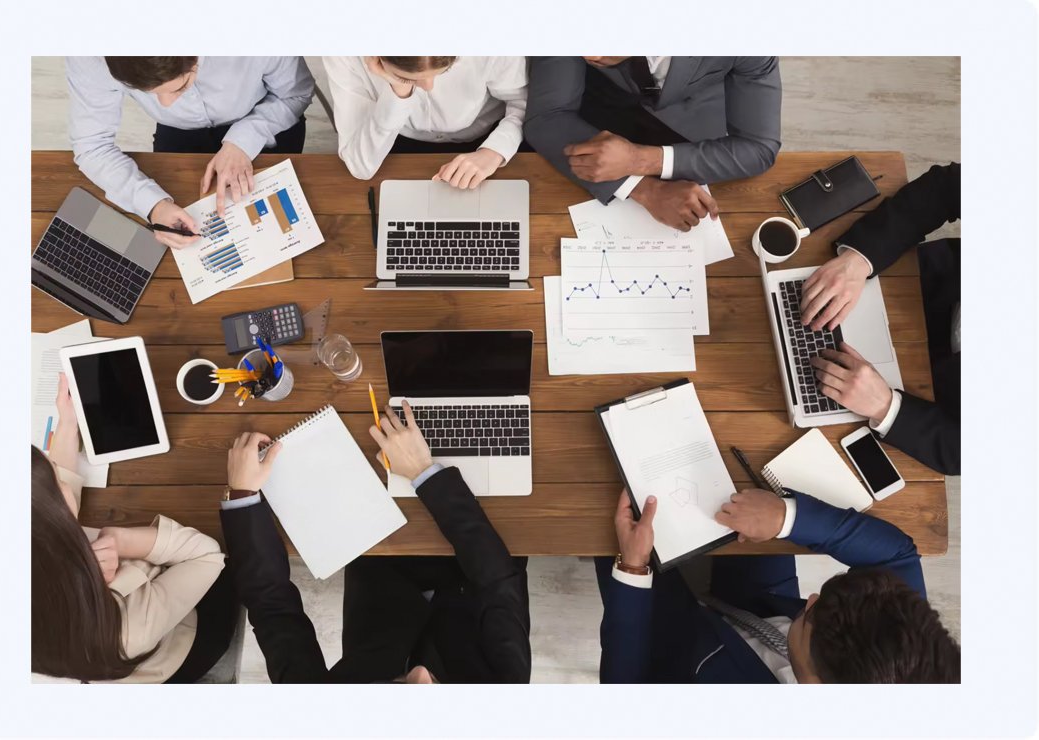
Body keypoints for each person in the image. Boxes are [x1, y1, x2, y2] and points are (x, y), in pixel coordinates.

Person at [219, 400, 531, 683]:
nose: (420, 676)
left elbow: (271, 607)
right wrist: (424, 473)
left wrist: (242, 495)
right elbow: (499, 582)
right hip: (474, 568)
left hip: (376, 556)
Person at [596, 487, 960, 683]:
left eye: (811, 614)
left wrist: (632, 569)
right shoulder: (916, 663)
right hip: (762, 604)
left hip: (678, 654)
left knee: (603, 515)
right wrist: (786, 519)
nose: (812, 596)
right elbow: (896, 556)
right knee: (740, 485)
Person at [31, 373, 235, 683]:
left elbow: (55, 487)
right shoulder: (124, 630)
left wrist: (68, 421)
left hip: (129, 606)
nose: (61, 478)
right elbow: (207, 556)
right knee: (234, 560)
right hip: (183, 637)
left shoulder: (35, 546)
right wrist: (122, 540)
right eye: (55, 484)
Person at [801, 163, 960, 474]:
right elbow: (946, 188)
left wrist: (886, 408)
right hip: (919, 282)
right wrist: (859, 259)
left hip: (931, 399)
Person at [66, 56, 315, 248]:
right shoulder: (91, 53)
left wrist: (243, 140)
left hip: (267, 119)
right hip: (179, 134)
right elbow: (92, 146)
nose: (165, 104)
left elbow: (296, 93)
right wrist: (152, 205)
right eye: (149, 94)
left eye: (180, 86)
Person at [525, 56, 782, 231]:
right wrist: (645, 189)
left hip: (693, 121)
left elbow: (758, 147)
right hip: (597, 105)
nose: (590, 52)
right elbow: (548, 118)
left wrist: (640, 160)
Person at [323, 56, 528, 185]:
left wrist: (494, 152)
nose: (428, 86)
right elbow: (361, 166)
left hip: (488, 138)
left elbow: (522, 101)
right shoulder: (344, 56)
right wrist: (399, 90)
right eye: (407, 76)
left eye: (444, 72)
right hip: (394, 143)